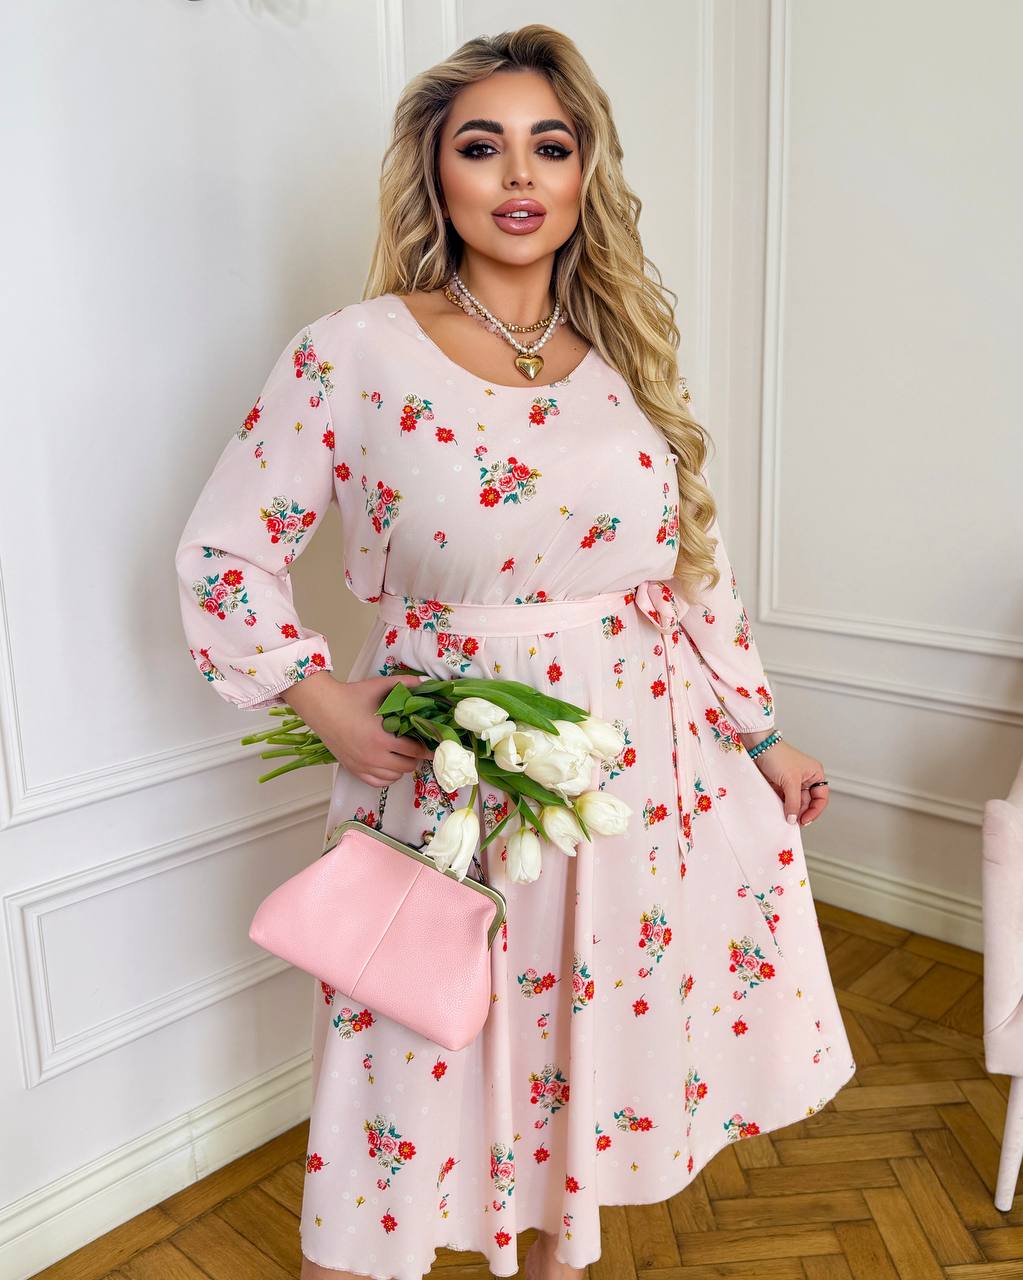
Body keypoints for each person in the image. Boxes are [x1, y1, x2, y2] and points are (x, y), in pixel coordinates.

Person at [173, 24, 854, 1280]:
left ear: (586, 170)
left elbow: (689, 569)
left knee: (571, 1087)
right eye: (482, 146)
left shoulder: (622, 358)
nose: (520, 173)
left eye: (551, 143)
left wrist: (762, 731)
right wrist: (322, 698)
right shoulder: (353, 350)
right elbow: (225, 550)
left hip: (635, 774)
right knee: (400, 1085)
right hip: (453, 774)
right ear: (436, 173)